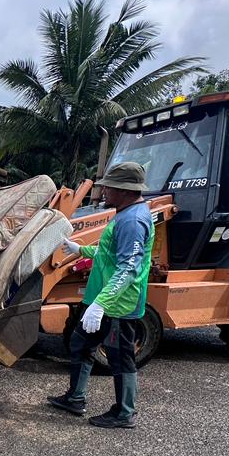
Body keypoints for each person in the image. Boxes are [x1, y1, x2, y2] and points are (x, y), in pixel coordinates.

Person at [47, 162, 154, 429]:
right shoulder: (123, 213)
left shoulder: (133, 220)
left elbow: (129, 268)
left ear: (127, 191)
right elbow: (109, 255)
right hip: (100, 300)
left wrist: (101, 305)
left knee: (120, 358)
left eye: (110, 187)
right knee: (80, 345)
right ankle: (75, 397)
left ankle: (124, 412)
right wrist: (80, 249)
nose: (104, 190)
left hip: (118, 306)